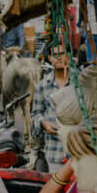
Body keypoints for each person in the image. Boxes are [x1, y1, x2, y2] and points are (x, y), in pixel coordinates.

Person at [30, 43, 71, 172]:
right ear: (50, 58)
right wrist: (43, 123)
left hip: (78, 151)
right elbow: (36, 114)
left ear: (68, 56)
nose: (59, 58)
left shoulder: (80, 83)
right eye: (55, 55)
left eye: (62, 54)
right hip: (54, 151)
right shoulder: (42, 86)